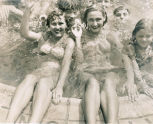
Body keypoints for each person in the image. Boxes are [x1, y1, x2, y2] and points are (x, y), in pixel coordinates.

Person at [6, 4, 75, 123]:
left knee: (43, 83)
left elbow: (66, 64)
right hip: (39, 70)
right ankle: (8, 121)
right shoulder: (43, 37)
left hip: (55, 73)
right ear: (48, 26)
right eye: (54, 24)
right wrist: (27, 12)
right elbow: (25, 34)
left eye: (61, 23)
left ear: (66, 25)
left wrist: (59, 86)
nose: (57, 27)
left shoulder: (69, 42)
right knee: (28, 78)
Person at [69, 5, 135, 124]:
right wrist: (78, 40)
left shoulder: (111, 35)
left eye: (98, 19)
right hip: (87, 73)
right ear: (85, 20)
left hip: (107, 71)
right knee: (92, 83)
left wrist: (131, 81)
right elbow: (78, 61)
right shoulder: (80, 35)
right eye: (91, 20)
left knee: (109, 82)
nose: (95, 23)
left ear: (104, 18)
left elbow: (126, 57)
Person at [126, 18, 153, 98]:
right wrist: (142, 84)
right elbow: (133, 67)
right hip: (132, 73)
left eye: (148, 36)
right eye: (140, 36)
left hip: (145, 72)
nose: (144, 39)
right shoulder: (131, 48)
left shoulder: (151, 47)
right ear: (134, 35)